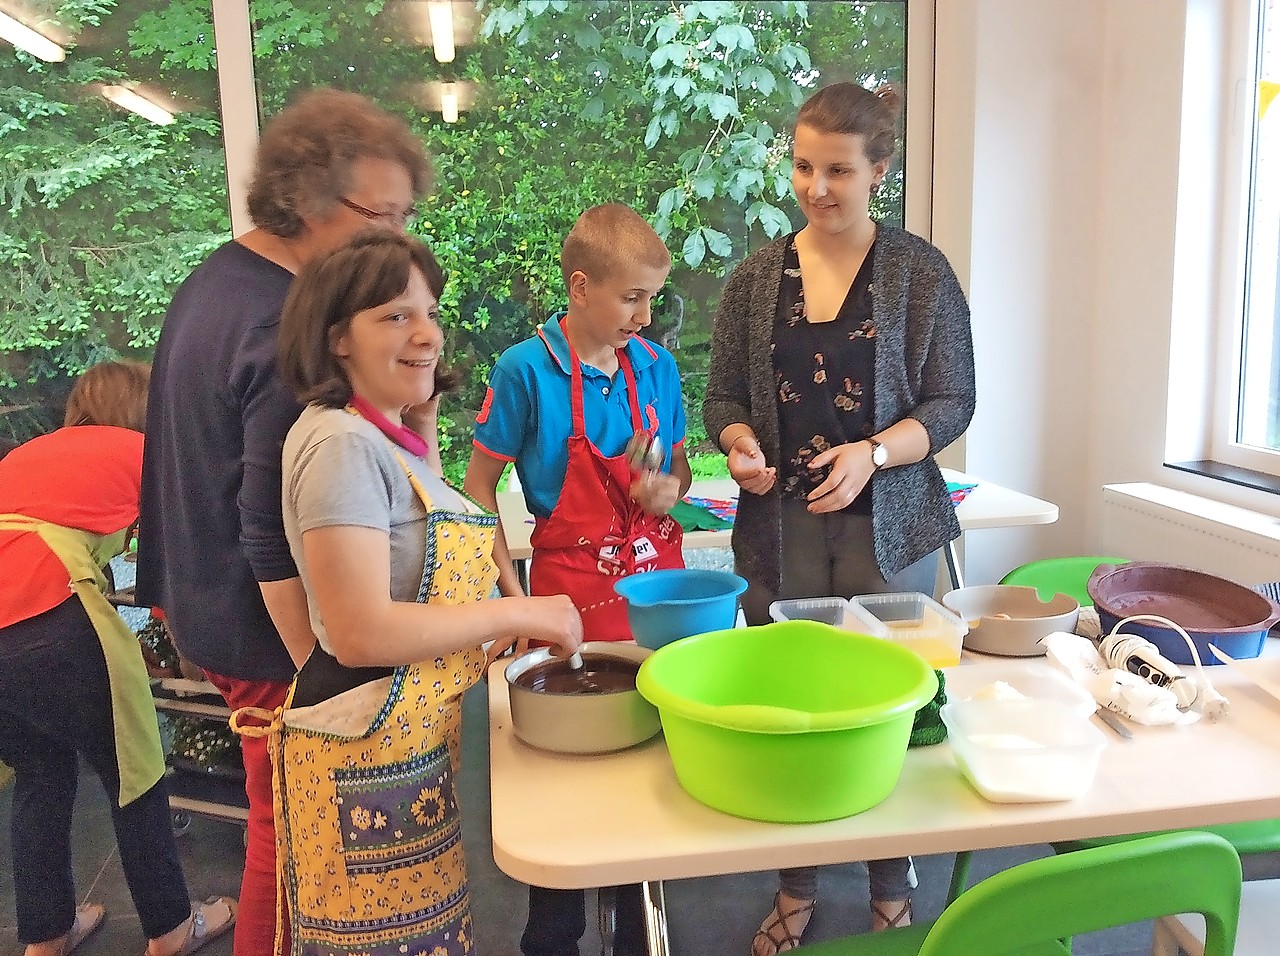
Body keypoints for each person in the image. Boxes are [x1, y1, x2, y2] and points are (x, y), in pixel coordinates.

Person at [136, 88, 431, 956]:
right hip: (264, 630)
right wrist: (321, 674)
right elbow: (268, 526)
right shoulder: (281, 321)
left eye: (405, 219)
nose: (397, 245)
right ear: (304, 198)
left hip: (202, 603)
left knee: (279, 823)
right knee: (290, 836)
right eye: (380, 217)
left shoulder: (219, 276)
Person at [239, 229, 582, 956]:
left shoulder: (379, 437)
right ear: (336, 339)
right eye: (395, 316)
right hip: (365, 747)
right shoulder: (340, 443)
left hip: (405, 743)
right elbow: (359, 630)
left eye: (429, 312)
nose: (426, 333)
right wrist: (521, 608)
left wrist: (418, 423)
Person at [702, 82, 976, 954]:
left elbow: (954, 399)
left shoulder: (917, 271)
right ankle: (797, 887)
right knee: (796, 713)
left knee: (888, 710)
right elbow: (723, 397)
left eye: (839, 171)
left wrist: (875, 453)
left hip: (886, 528)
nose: (817, 187)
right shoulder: (753, 280)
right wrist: (739, 440)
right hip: (778, 531)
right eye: (803, 166)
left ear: (880, 171)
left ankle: (893, 886)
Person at [463, 203, 691, 956]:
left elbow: (679, 470)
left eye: (652, 297)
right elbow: (477, 490)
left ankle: (636, 923)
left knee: (644, 760)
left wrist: (668, 491)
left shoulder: (656, 367)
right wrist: (512, 596)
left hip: (655, 592)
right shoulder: (524, 370)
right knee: (564, 777)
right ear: (582, 286)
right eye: (633, 297)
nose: (646, 314)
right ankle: (552, 930)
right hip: (566, 597)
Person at [0, 361, 236, 956]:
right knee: (135, 775)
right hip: (53, 608)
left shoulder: (30, 454)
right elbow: (180, 558)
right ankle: (172, 928)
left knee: (40, 778)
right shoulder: (139, 451)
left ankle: (47, 935)